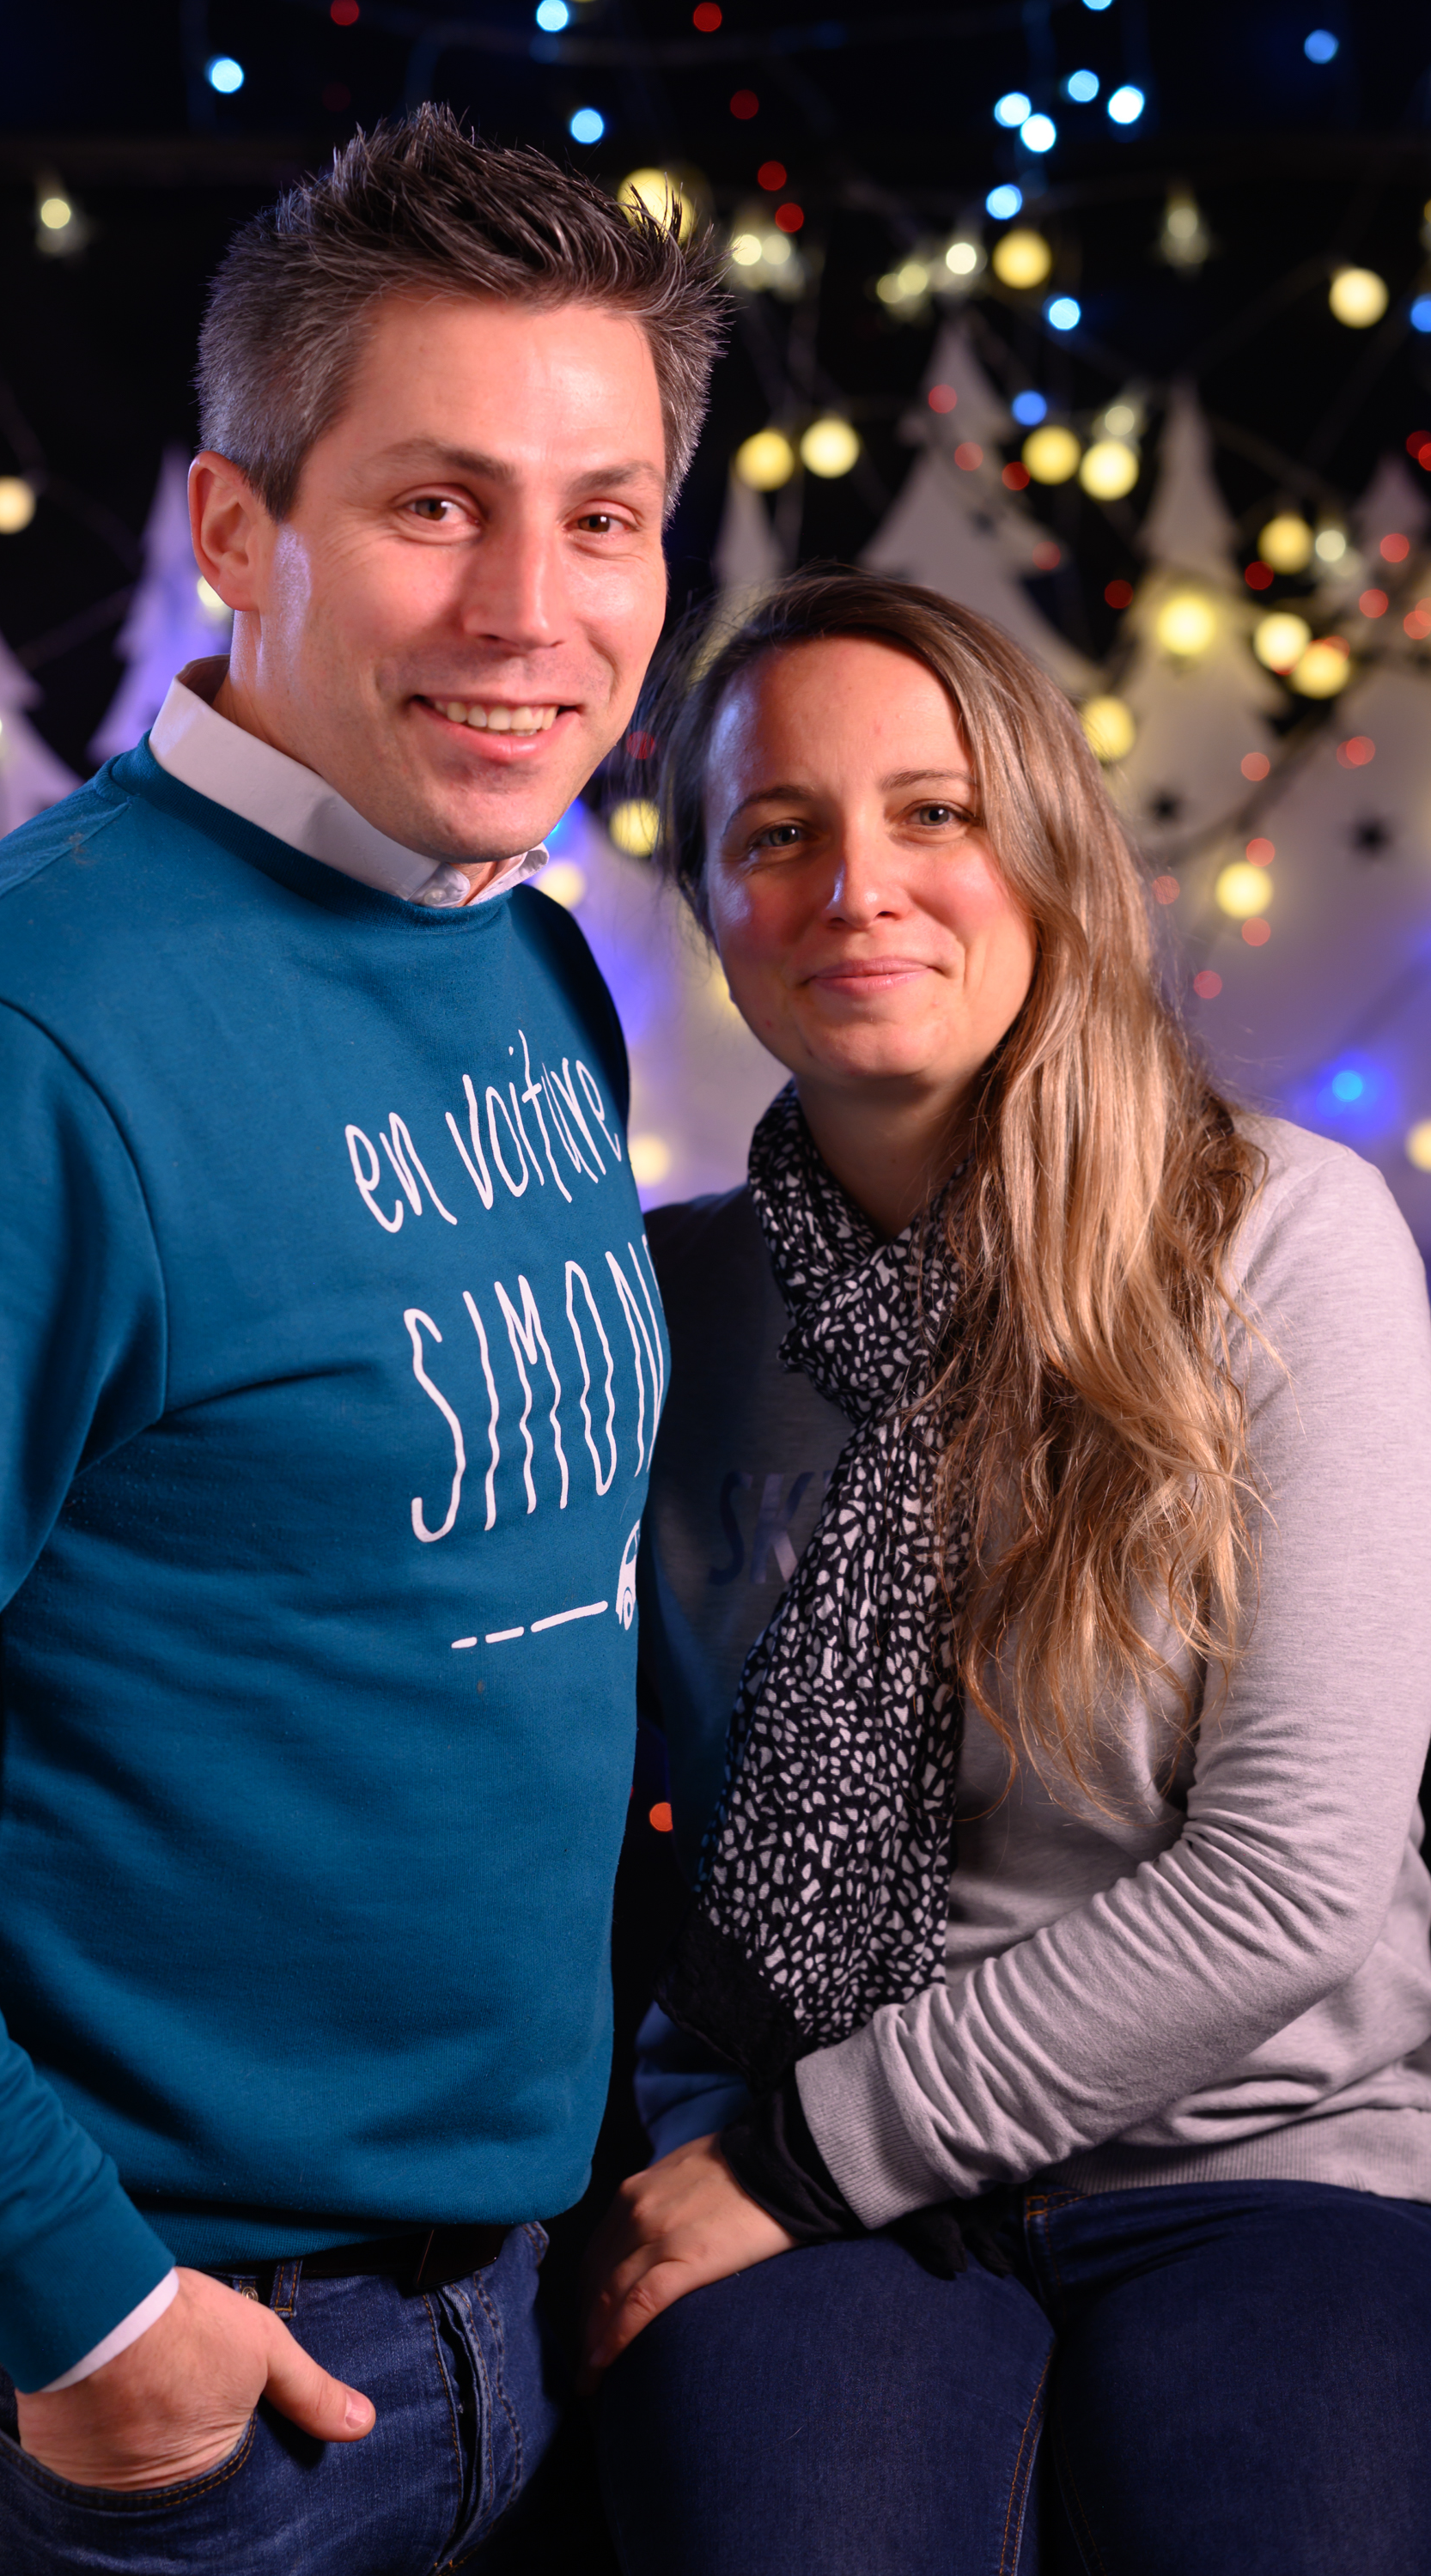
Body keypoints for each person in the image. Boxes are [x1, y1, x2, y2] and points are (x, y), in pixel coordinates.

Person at [0, 111, 724, 2574]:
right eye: (434, 505)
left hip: (492, 2312)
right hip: (103, 2373)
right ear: (239, 530)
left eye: (601, 516)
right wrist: (78, 2309)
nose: (531, 609)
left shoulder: (525, 953)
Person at [582, 570, 1431, 2575]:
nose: (855, 888)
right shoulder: (655, 1305)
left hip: (1254, 2152)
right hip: (783, 2134)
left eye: (933, 814)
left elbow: (1289, 1880)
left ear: (1047, 852)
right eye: (776, 833)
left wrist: (794, 2164)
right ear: (712, 908)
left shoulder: (1281, 1237)